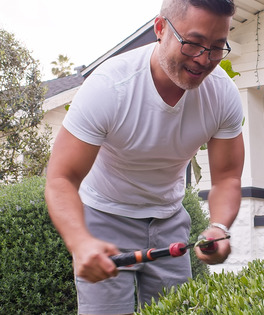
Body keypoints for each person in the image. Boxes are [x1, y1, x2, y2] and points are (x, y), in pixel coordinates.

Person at [44, 0, 244, 313]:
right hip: (104, 217)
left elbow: (228, 176)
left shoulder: (222, 94)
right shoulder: (109, 87)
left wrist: (219, 226)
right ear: (161, 29)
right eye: (193, 43)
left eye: (217, 47)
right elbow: (60, 178)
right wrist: (80, 241)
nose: (204, 59)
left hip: (170, 219)